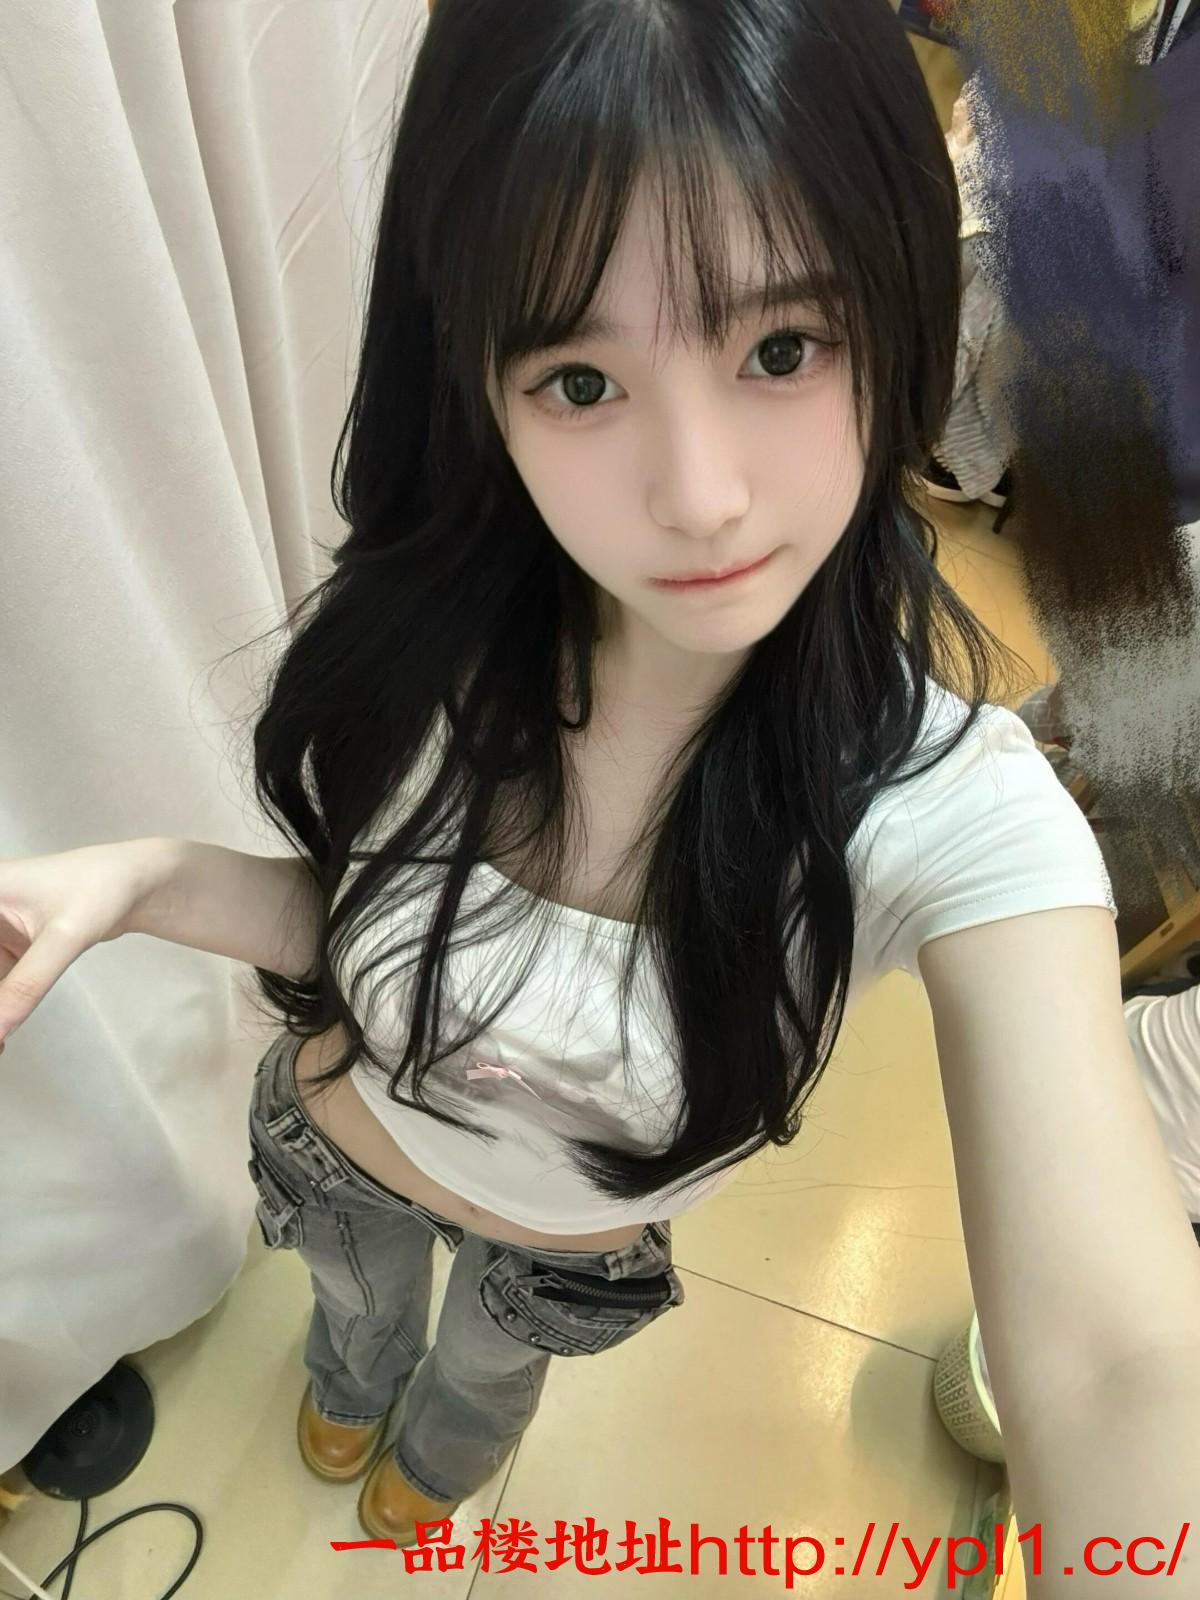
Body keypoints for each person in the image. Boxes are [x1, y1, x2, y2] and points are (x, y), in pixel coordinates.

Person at [2, 0, 1199, 1571]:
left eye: (782, 348)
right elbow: (357, 934)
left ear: (900, 310)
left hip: (556, 1262)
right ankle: (354, 1399)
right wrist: (140, 883)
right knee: (349, 1342)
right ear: (478, 381)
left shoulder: (942, 806)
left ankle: (430, 1459)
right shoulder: (436, 652)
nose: (698, 496)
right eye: (580, 379)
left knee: (473, 1400)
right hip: (333, 1159)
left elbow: (1117, 1367)